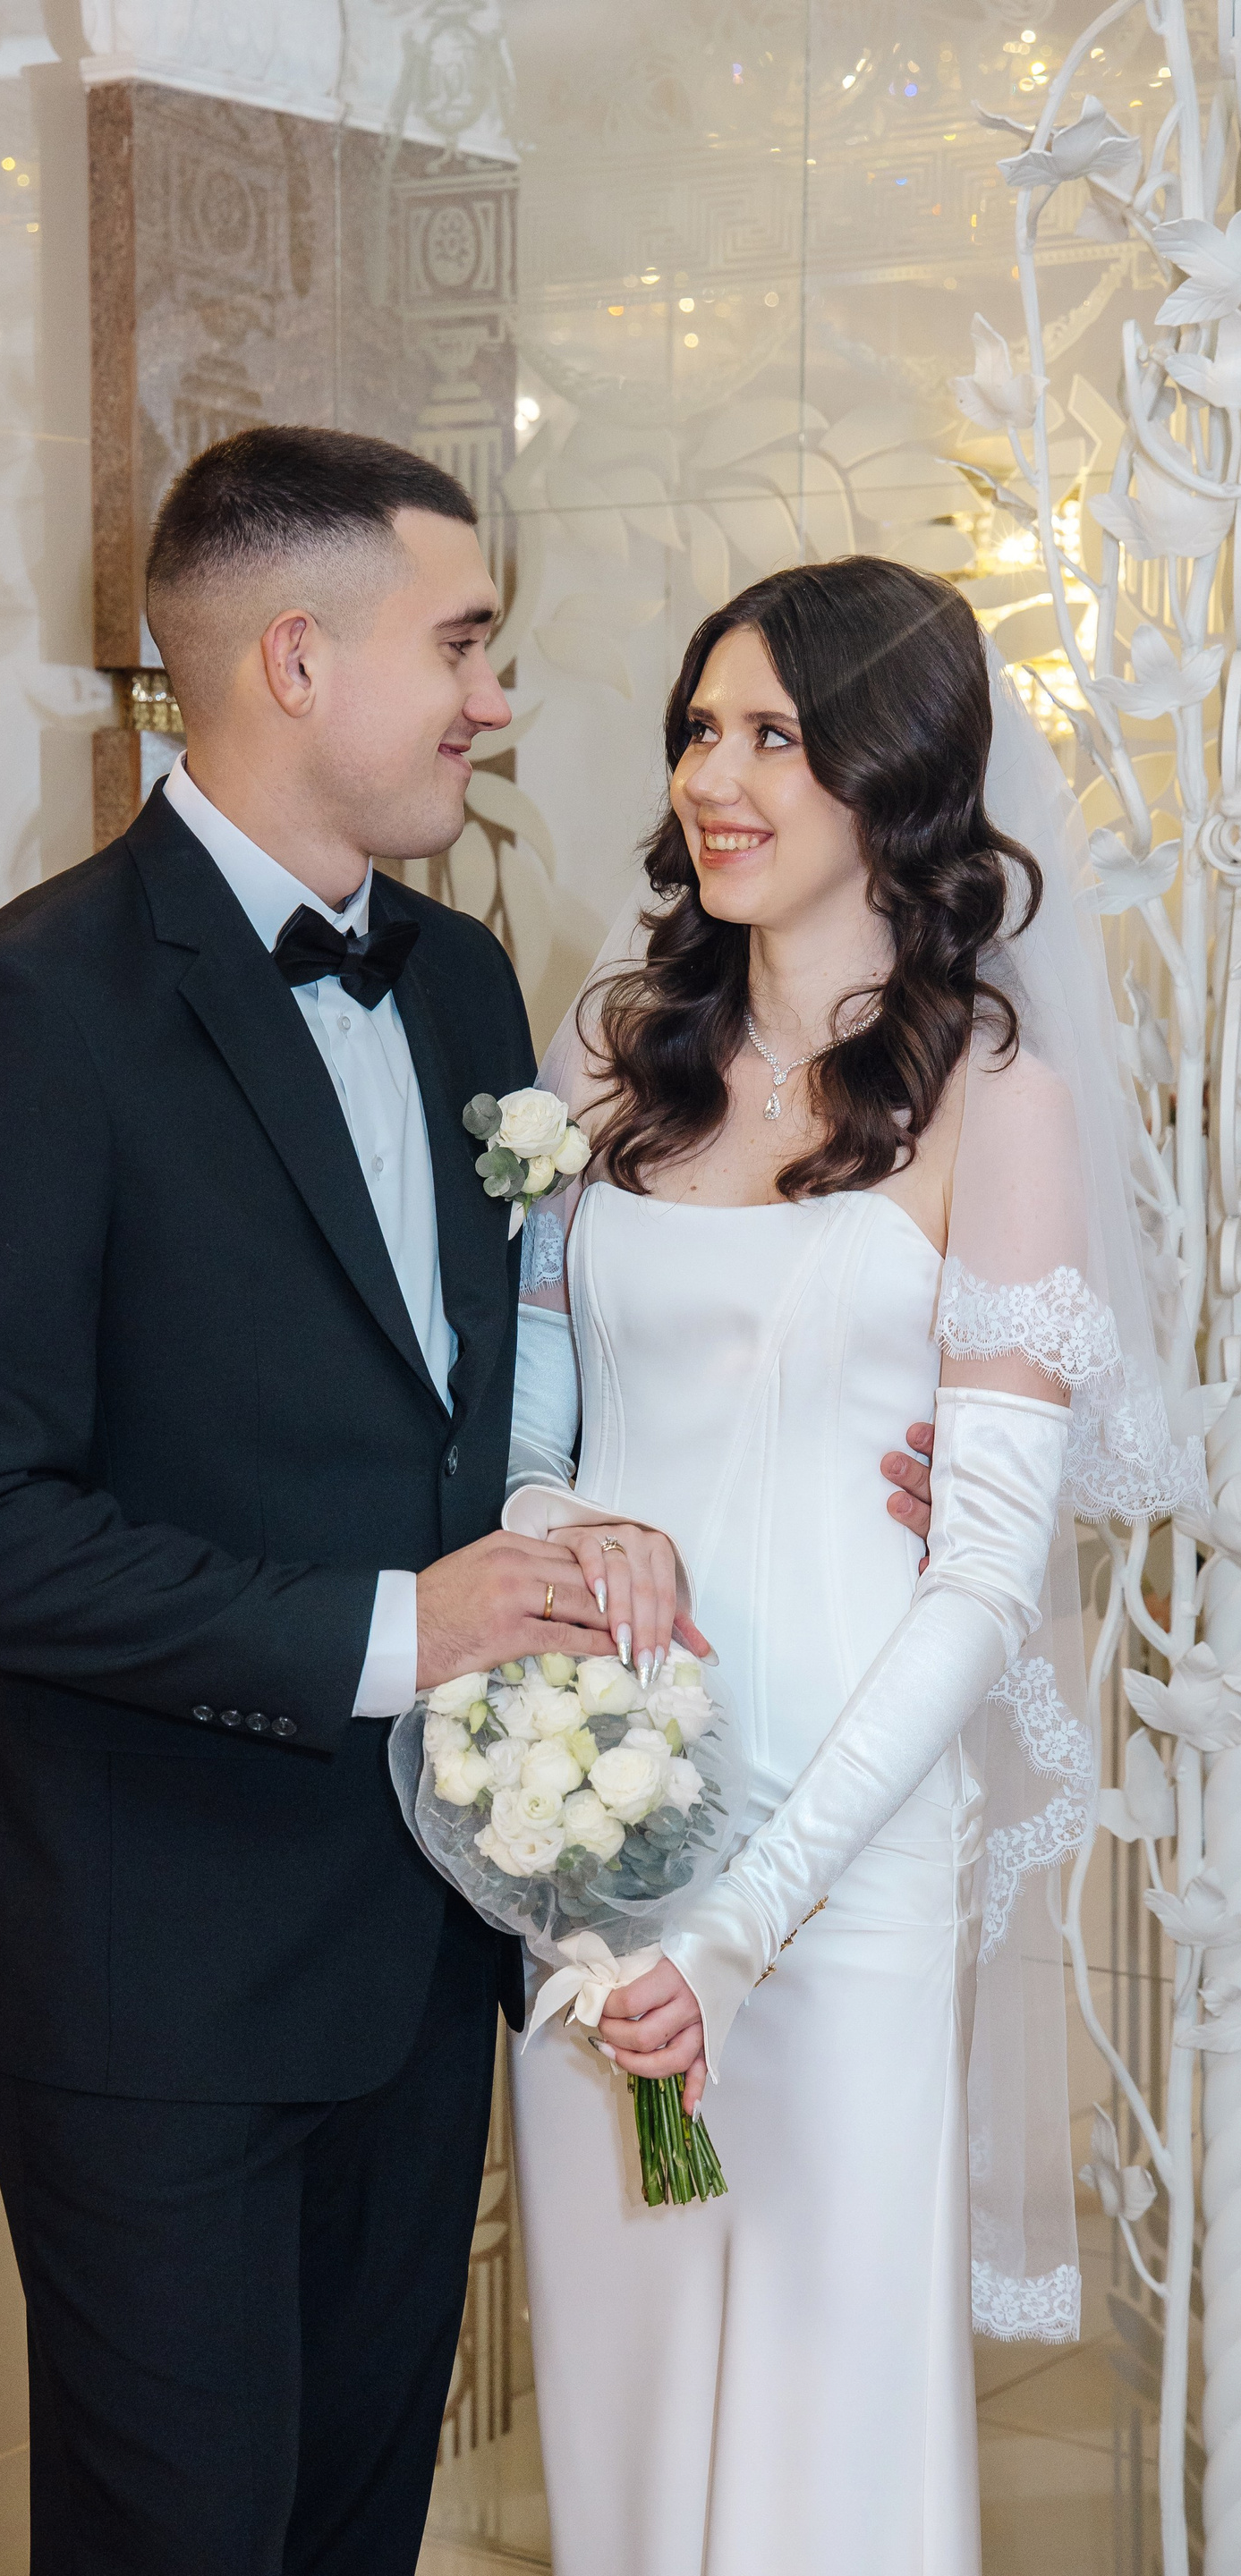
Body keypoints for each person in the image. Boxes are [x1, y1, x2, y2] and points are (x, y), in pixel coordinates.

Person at [0, 431, 936, 2576]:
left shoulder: (458, 980)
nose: (494, 700)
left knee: (358, 2530)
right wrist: (394, 1630)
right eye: (461, 646)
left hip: (421, 1942)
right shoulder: (20, 1013)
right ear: (296, 658)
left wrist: (817, 1450)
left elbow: (497, 1380)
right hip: (142, 1962)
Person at [500, 557, 1203, 2573]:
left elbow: (979, 1575)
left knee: (823, 2446)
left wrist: (745, 1930)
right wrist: (560, 1548)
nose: (713, 779)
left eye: (774, 740)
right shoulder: (609, 1057)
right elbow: (524, 1450)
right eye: (698, 732)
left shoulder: (998, 1101)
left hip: (844, 1852)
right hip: (599, 1827)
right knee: (628, 2431)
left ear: (892, 775)